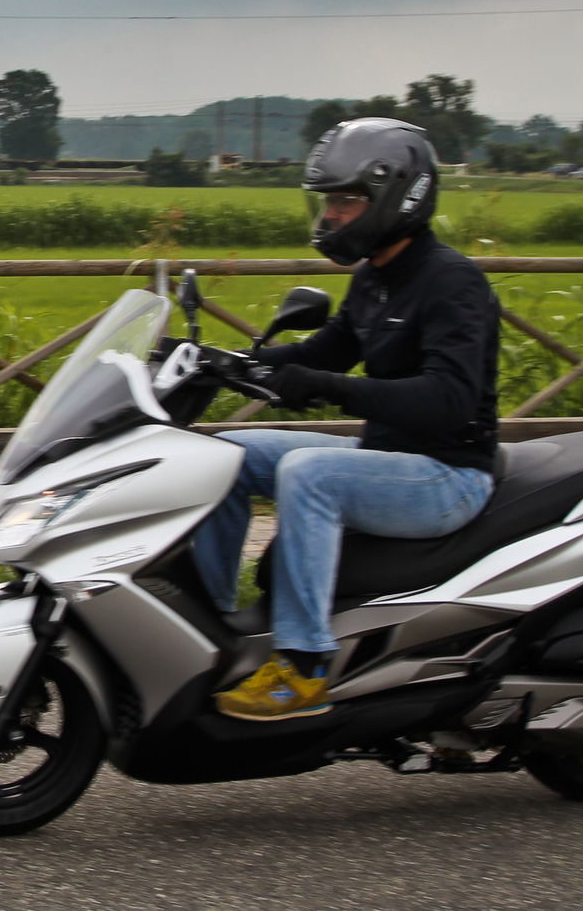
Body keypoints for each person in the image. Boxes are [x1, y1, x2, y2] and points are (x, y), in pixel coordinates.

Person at [194, 117, 500, 721]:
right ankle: (209, 619)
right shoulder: (374, 278)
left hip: (448, 476)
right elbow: (323, 354)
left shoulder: (452, 283)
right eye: (328, 201)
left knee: (310, 474)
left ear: (395, 198)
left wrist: (331, 388)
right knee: (226, 455)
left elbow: (449, 400)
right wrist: (230, 363)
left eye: (346, 201)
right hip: (388, 462)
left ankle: (305, 667)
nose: (331, 215)